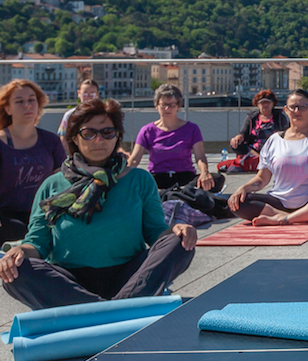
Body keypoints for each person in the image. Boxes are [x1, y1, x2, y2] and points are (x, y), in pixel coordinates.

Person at [0, 98, 196, 310]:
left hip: (129, 276)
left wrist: (176, 230)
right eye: (88, 133)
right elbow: (37, 243)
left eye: (107, 133)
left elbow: (155, 232)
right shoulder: (52, 185)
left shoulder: (138, 180)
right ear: (75, 137)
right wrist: (17, 252)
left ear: (117, 137)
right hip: (69, 282)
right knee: (15, 271)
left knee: (180, 243)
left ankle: (96, 312)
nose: (98, 140)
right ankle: (119, 310)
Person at [229, 90, 308, 225]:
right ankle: (298, 217)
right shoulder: (274, 140)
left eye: (302, 107)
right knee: (239, 202)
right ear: (286, 109)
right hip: (279, 202)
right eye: (293, 107)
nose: (297, 111)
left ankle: (283, 219)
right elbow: (262, 179)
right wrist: (242, 188)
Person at [0, 81, 65, 242]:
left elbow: (61, 182)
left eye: (32, 100)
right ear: (7, 109)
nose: (27, 105)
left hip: (43, 213)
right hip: (6, 215)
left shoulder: (51, 141)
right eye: (19, 101)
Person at [128, 84, 221, 192]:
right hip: (158, 178)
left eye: (171, 105)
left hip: (185, 177)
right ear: (157, 106)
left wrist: (205, 172)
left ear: (178, 106)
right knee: (136, 184)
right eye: (163, 105)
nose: (167, 109)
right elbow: (134, 159)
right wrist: (122, 177)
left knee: (216, 179)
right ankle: (179, 195)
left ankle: (169, 195)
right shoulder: (147, 131)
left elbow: (200, 156)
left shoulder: (192, 129)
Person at [229, 90, 289, 159]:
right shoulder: (252, 117)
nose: (265, 105)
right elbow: (243, 133)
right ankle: (259, 157)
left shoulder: (279, 116)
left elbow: (286, 133)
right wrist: (237, 138)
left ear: (273, 104)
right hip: (254, 150)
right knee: (235, 144)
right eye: (262, 103)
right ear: (258, 104)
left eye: (268, 103)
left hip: (274, 149)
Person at [57, 79, 99, 147]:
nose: (88, 97)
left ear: (97, 94)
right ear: (78, 94)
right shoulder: (69, 115)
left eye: (92, 95)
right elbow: (63, 140)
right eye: (85, 94)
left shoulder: (104, 115)